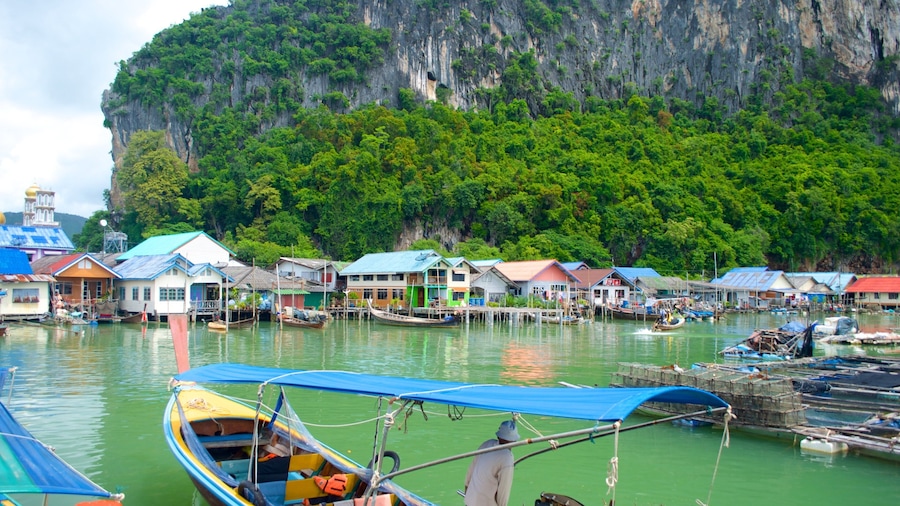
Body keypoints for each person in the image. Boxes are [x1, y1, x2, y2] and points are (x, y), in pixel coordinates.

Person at [463, 420, 518, 506]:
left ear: (499, 436)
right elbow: (504, 491)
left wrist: (468, 495)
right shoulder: (507, 457)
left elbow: (469, 473)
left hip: (470, 500)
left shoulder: (486, 444)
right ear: (514, 441)